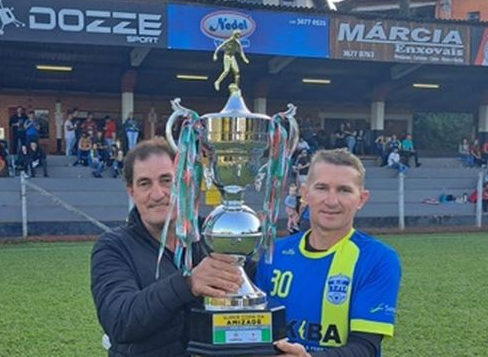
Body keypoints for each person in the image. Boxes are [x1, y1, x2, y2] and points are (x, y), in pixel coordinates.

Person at [90, 138, 245, 357]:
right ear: (131, 192)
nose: (157, 194)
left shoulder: (211, 234)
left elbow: (258, 284)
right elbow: (120, 321)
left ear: (183, 183)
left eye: (166, 180)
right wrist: (188, 283)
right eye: (145, 183)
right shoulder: (113, 247)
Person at [254, 149, 401, 356]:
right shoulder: (274, 252)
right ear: (305, 194)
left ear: (361, 198)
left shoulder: (378, 259)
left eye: (344, 190)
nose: (331, 201)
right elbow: (255, 329)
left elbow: (365, 347)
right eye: (322, 188)